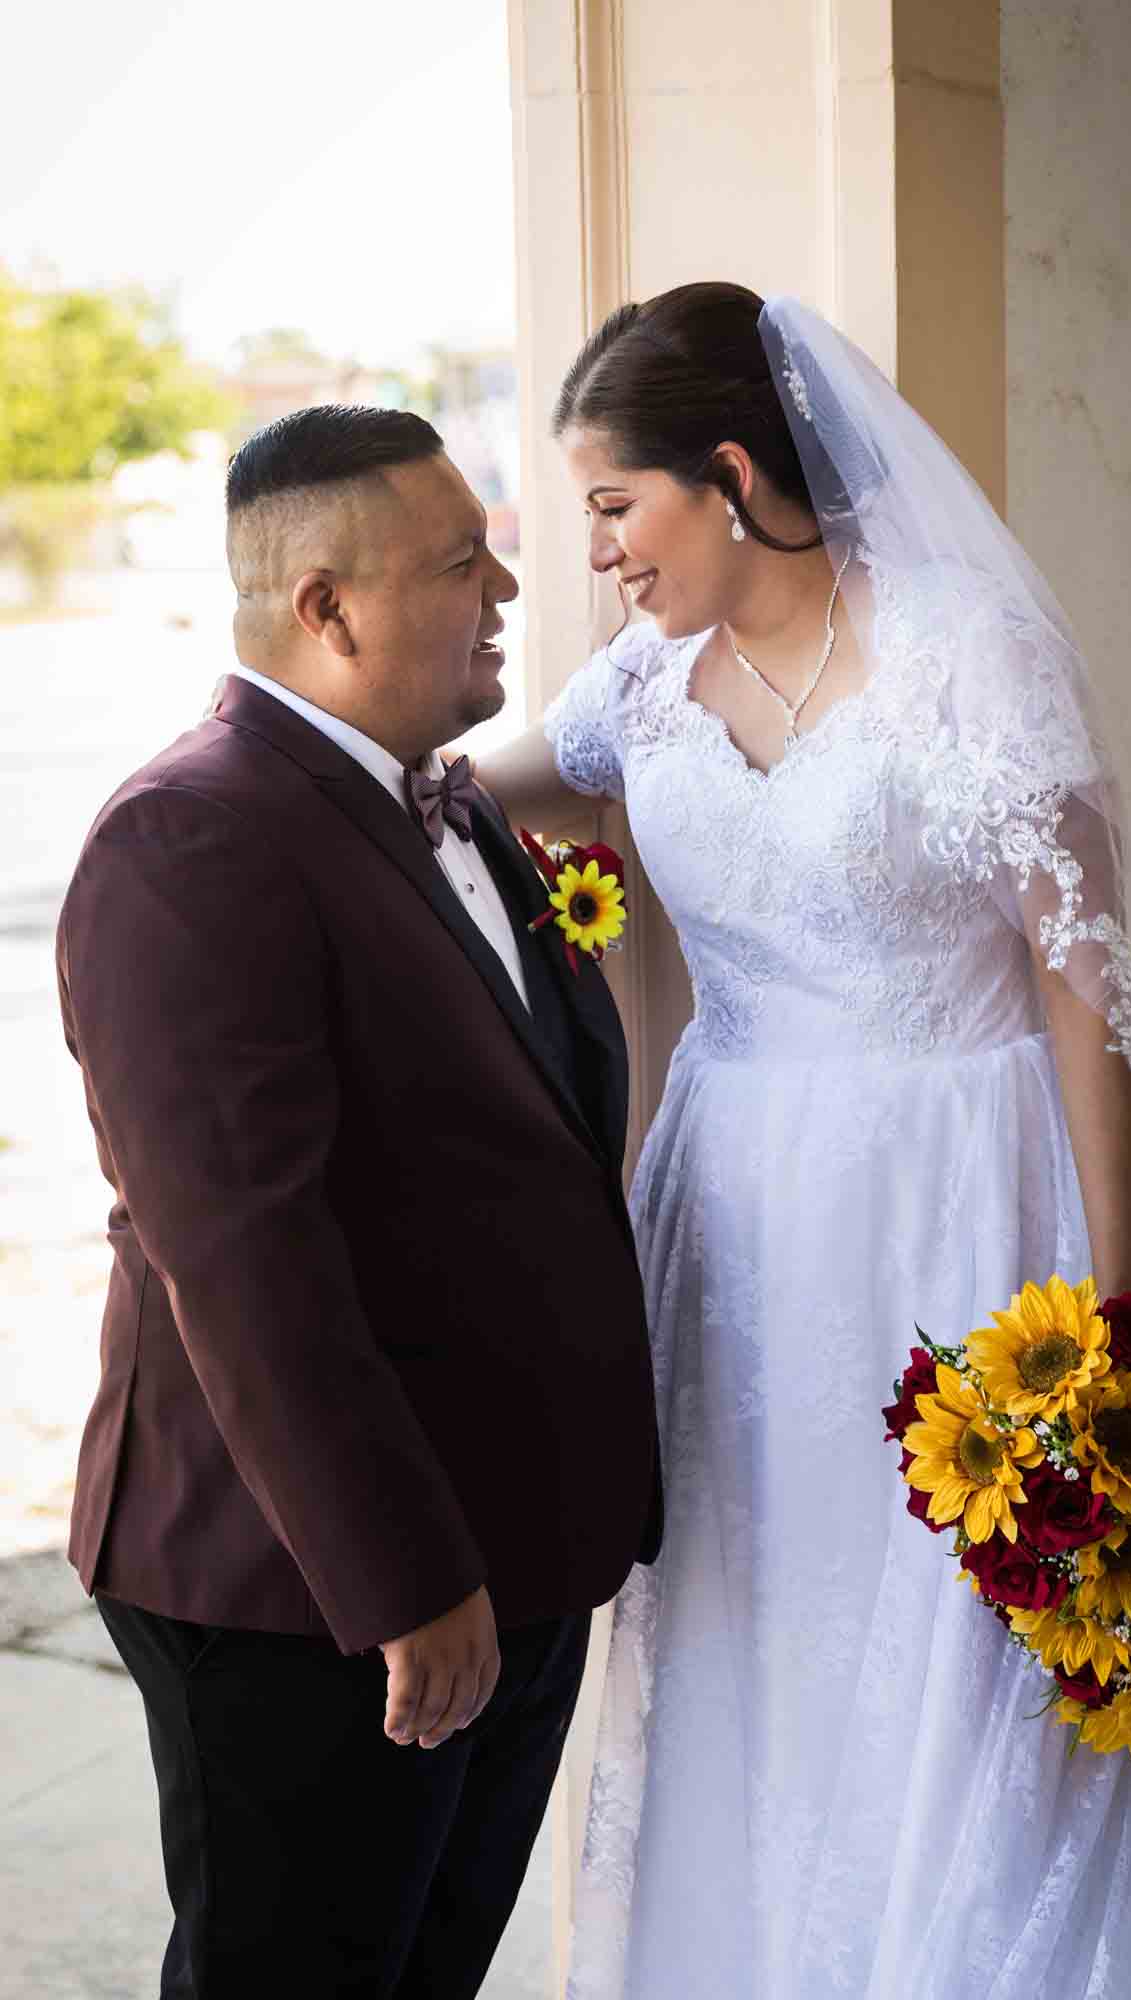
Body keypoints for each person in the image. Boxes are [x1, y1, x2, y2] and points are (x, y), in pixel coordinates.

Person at [476, 283, 1131, 1999]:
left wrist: (1122, 1300)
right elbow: (457, 791)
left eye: (615, 509)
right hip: (727, 1221)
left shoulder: (965, 653)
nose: (602, 560)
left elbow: (1085, 980)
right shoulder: (639, 686)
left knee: (964, 1637)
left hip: (955, 1193)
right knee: (755, 1605)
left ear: (727, 476)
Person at [56, 404, 662, 1998]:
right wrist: (405, 1584)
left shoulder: (441, 798)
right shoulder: (194, 835)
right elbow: (244, 1258)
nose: (511, 593)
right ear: (326, 609)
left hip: (507, 1550)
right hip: (310, 1588)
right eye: (466, 563)